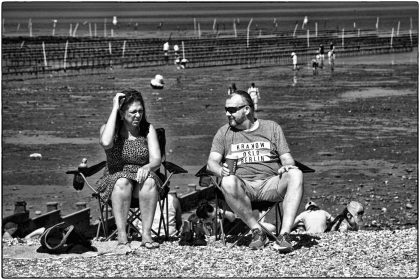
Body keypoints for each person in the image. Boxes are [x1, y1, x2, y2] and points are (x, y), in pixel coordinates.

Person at [206, 90, 304, 252]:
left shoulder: (272, 128)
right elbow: (211, 163)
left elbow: (286, 158)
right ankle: (257, 231)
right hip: (243, 187)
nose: (227, 113)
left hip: (270, 184)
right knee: (228, 180)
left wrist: (287, 165)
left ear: (247, 109)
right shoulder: (224, 133)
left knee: (296, 173)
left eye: (232, 110)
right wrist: (220, 170)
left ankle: (284, 235)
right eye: (226, 109)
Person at [97, 89, 163, 251]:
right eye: (133, 112)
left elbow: (156, 159)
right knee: (122, 182)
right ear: (122, 113)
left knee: (148, 182)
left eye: (140, 111)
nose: (137, 115)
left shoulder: (147, 129)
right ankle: (122, 236)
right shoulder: (109, 130)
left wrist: (147, 167)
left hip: (141, 176)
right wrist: (114, 108)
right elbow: (106, 143)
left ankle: (146, 235)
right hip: (116, 177)